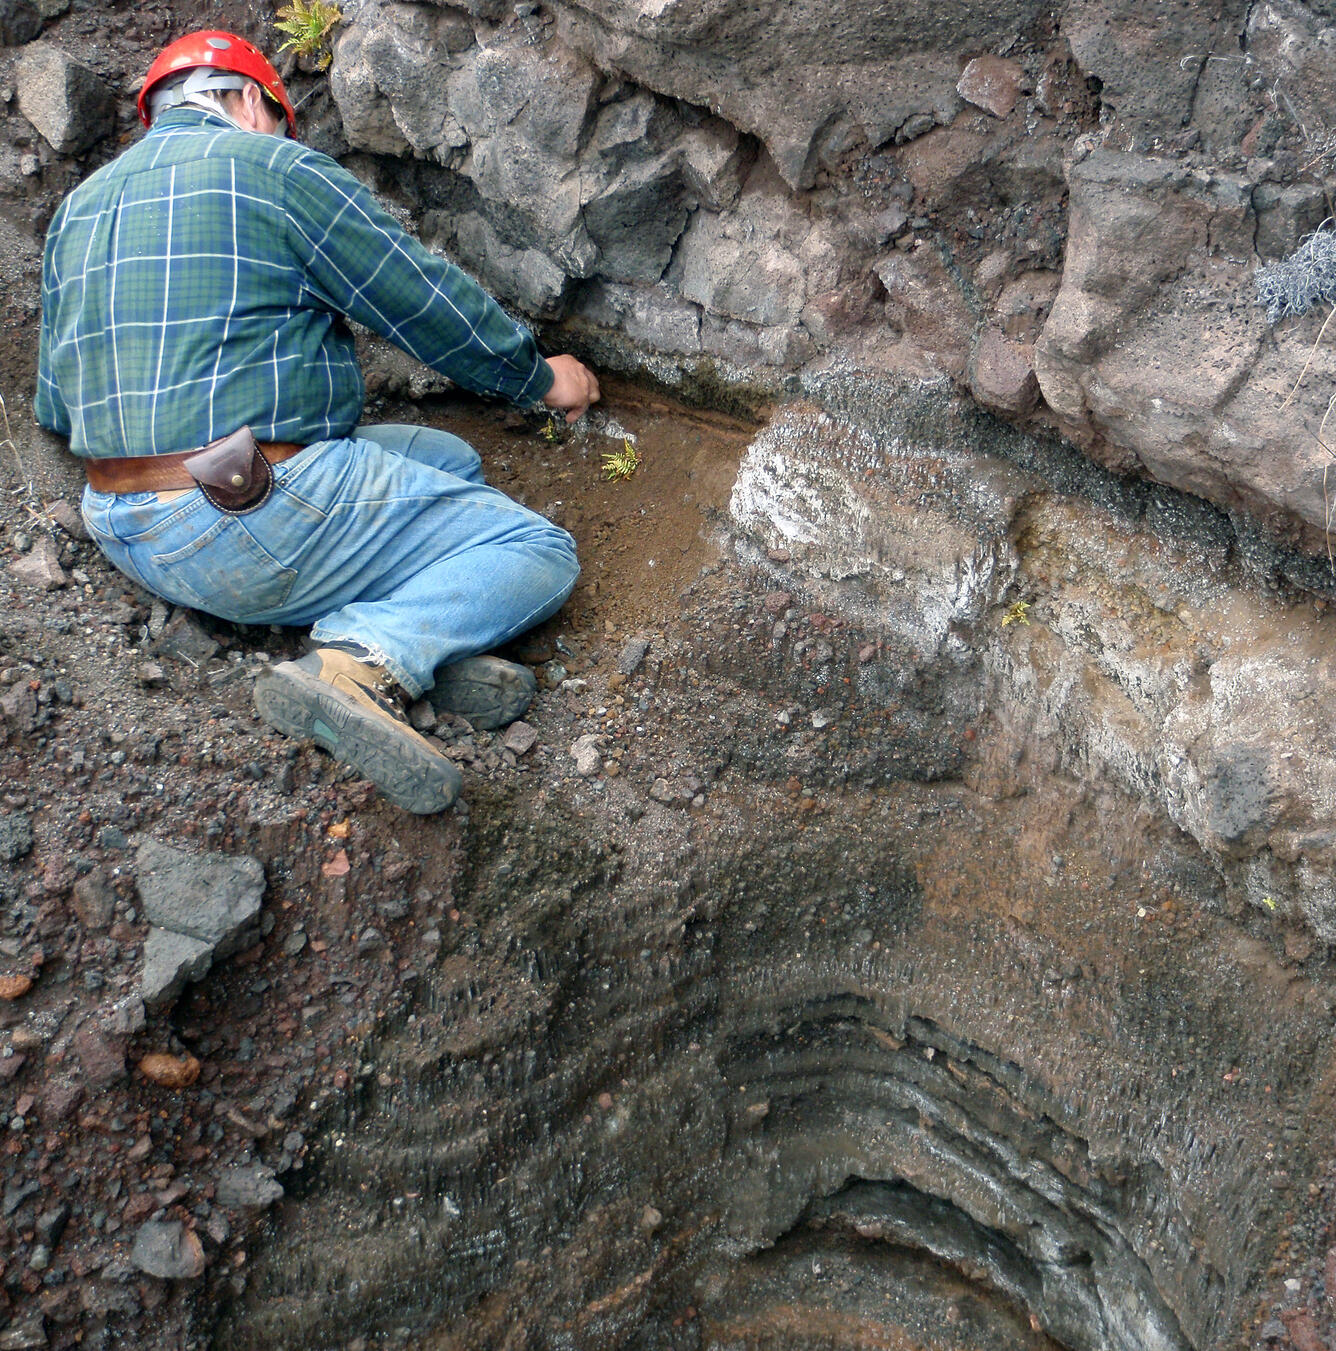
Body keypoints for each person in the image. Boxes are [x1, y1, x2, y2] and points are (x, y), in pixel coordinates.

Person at [35, 30, 600, 815]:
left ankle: (409, 642)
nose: (278, 130)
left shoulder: (77, 210)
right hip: (241, 513)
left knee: (445, 458)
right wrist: (539, 378)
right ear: (242, 99)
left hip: (124, 527)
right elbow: (416, 298)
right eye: (277, 114)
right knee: (536, 548)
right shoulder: (271, 168)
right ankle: (360, 662)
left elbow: (53, 408)